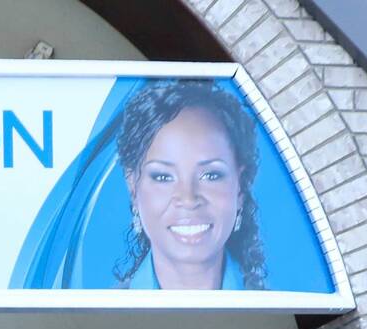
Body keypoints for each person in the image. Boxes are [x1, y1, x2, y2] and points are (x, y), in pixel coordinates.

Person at [114, 78, 268, 291]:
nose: (188, 198)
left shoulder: (277, 308)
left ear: (240, 186)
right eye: (163, 177)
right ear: (133, 187)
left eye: (211, 175)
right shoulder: (95, 318)